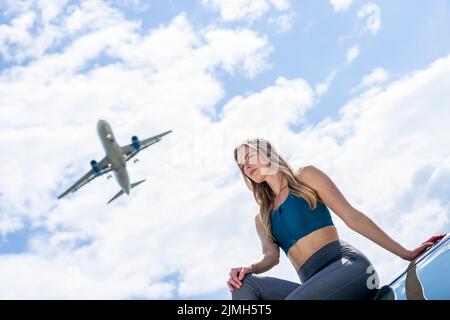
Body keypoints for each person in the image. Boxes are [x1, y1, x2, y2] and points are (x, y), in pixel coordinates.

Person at [227, 137, 446, 300]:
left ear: (266, 152)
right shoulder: (263, 216)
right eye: (242, 165)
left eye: (249, 157)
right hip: (314, 286)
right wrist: (249, 268)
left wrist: (405, 253)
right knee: (244, 286)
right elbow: (270, 256)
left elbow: (352, 217)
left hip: (349, 269)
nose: (246, 166)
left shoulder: (305, 177)